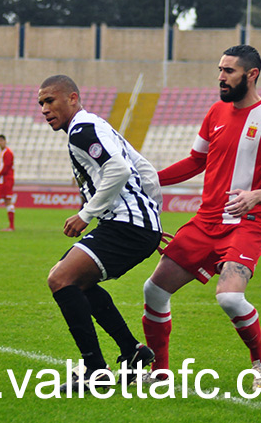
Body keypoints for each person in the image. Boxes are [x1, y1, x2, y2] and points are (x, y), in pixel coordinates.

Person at [140, 45, 261, 391]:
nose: (221, 77)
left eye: (229, 71)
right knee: (154, 290)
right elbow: (194, 162)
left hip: (247, 224)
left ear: (252, 75)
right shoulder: (215, 112)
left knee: (229, 297)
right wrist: (151, 178)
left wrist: (259, 195)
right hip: (205, 223)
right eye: (219, 69)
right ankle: (160, 371)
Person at [38, 75, 163, 392]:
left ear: (73, 98)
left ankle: (95, 370)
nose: (44, 108)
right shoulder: (97, 126)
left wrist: (85, 213)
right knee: (76, 281)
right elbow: (143, 167)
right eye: (41, 103)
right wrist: (152, 215)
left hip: (127, 224)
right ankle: (134, 352)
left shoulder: (82, 130)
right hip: (133, 224)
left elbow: (120, 170)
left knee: (61, 280)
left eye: (50, 100)